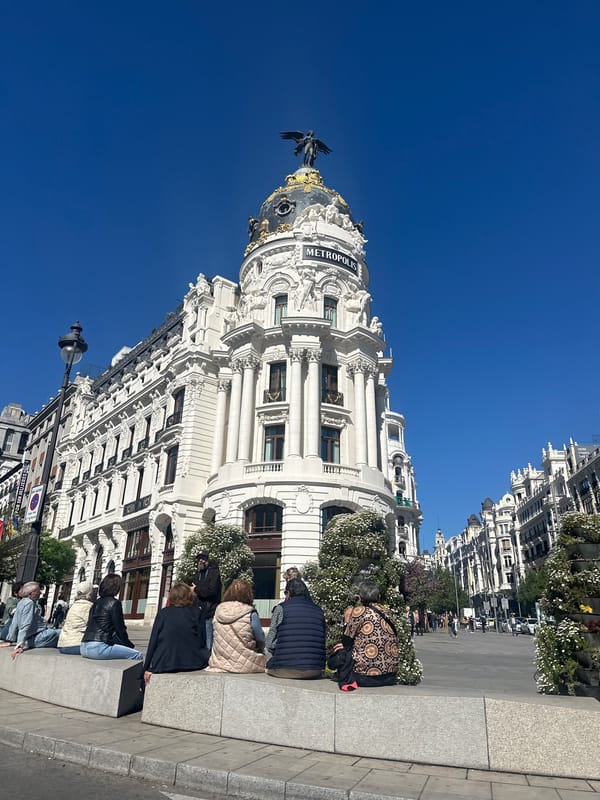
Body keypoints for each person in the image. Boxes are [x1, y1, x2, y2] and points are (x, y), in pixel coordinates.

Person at [327, 580, 399, 691]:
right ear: (378, 597)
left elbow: (346, 642)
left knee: (340, 654)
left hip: (365, 676)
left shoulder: (359, 611)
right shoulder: (387, 612)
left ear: (360, 597)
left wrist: (346, 621)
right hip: (390, 675)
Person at [143, 583, 209, 685]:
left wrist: (146, 668)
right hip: (193, 661)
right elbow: (202, 640)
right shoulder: (197, 612)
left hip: (165, 661)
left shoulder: (163, 613)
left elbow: (153, 642)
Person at [265, 578, 325, 679]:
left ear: (288, 593)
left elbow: (269, 644)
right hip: (315, 670)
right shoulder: (318, 610)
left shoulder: (281, 608)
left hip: (285, 669)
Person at [207, 579, 266, 674]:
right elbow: (260, 638)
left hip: (219, 662)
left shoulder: (219, 610)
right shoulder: (250, 612)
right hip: (245, 663)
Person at [81, 574, 142, 660]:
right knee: (137, 655)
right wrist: (128, 645)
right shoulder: (114, 603)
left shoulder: (95, 603)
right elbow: (120, 628)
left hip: (84, 646)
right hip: (99, 647)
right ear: (116, 587)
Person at [0, 582, 60, 658]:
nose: (40, 593)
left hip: (31, 637)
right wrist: (19, 646)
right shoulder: (29, 604)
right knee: (61, 633)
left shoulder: (21, 602)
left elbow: (15, 622)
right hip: (38, 637)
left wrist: (10, 640)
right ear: (31, 593)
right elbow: (25, 625)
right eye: (38, 591)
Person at [191, 549, 222, 650]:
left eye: (203, 558)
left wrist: (196, 589)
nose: (201, 561)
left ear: (207, 559)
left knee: (209, 642)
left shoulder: (214, 573)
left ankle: (209, 660)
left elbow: (211, 591)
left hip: (209, 613)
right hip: (198, 613)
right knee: (199, 640)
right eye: (199, 559)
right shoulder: (197, 574)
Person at [58, 582, 94, 655]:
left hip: (63, 644)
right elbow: (92, 625)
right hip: (75, 644)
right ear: (90, 593)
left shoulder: (74, 605)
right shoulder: (88, 606)